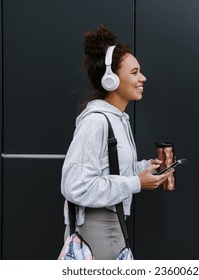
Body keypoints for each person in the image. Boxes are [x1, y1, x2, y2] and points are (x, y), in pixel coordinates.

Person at [61, 24, 173, 260]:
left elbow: (111, 172)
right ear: (111, 79)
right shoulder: (95, 122)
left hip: (117, 229)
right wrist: (135, 182)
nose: (143, 77)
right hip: (94, 232)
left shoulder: (120, 120)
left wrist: (144, 169)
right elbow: (76, 186)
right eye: (134, 72)